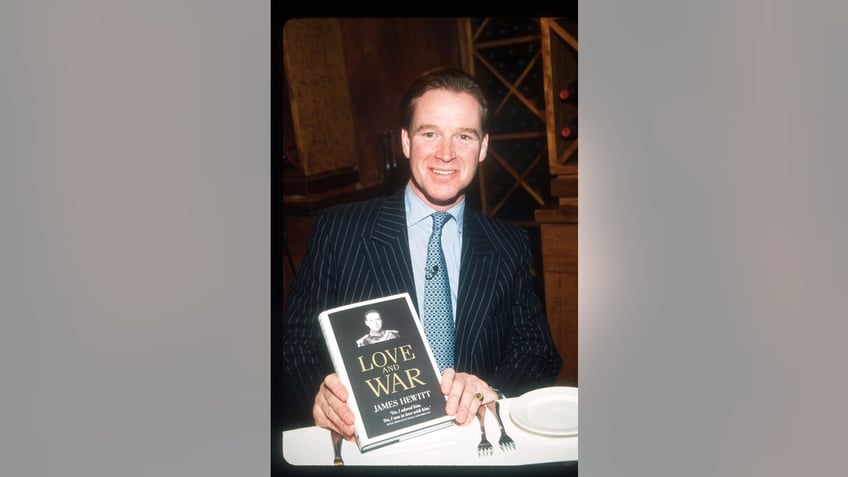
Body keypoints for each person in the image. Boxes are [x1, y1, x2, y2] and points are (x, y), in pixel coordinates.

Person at [281, 65, 562, 440]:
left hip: (472, 440)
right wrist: (319, 397)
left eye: (464, 136)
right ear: (406, 142)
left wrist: (489, 390)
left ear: (483, 148)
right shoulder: (339, 231)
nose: (446, 154)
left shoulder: (508, 244)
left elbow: (538, 351)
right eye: (430, 133)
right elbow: (294, 342)